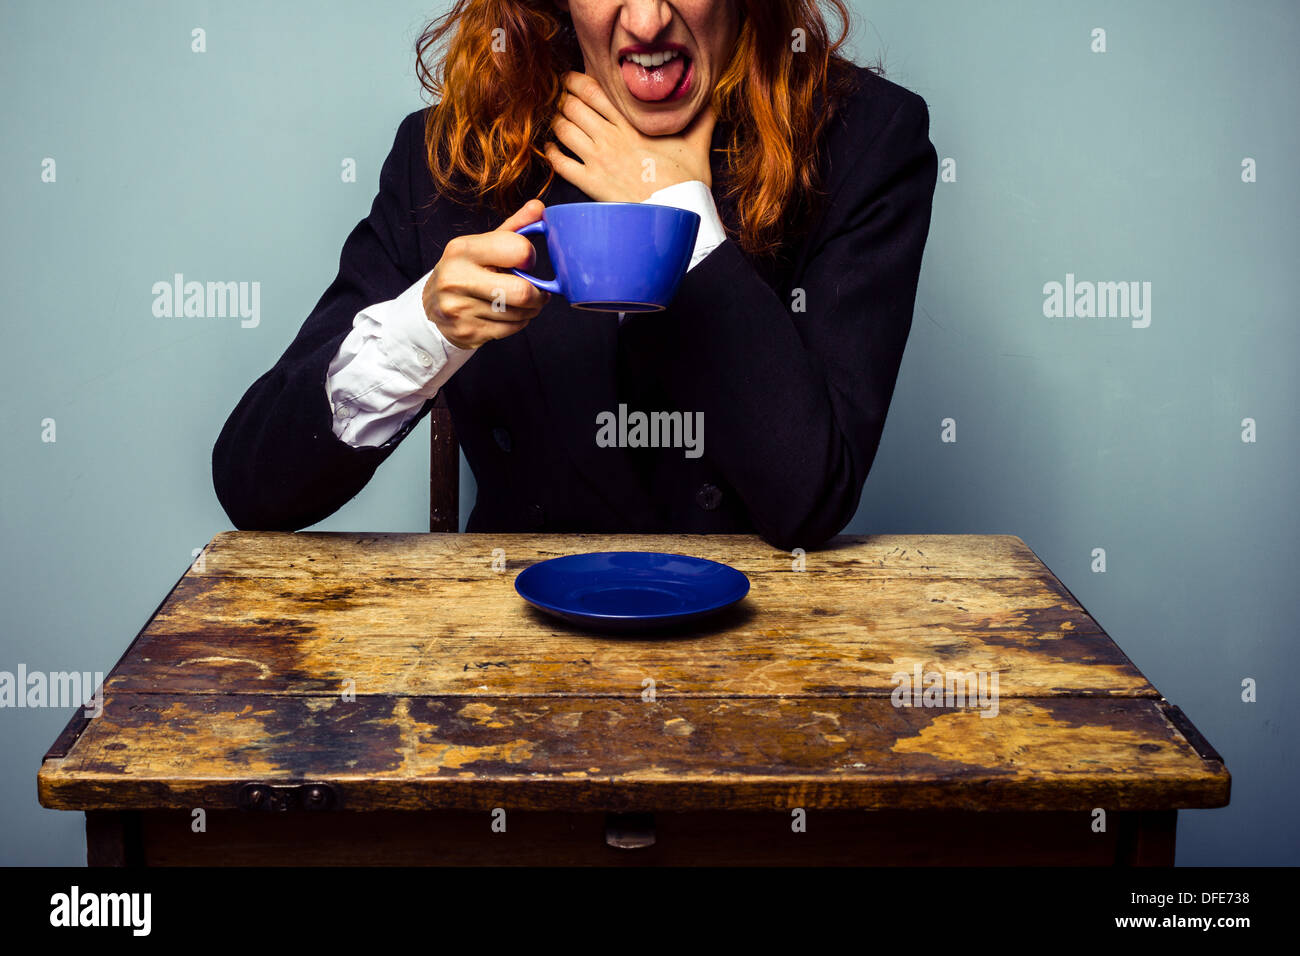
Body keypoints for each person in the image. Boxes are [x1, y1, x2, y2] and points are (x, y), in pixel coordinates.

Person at [212, 0, 937, 552]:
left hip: (760, 660)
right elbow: (255, 485)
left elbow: (810, 498)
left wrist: (678, 211)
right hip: (506, 661)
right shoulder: (449, 158)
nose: (649, 19)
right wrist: (421, 329)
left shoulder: (866, 141)